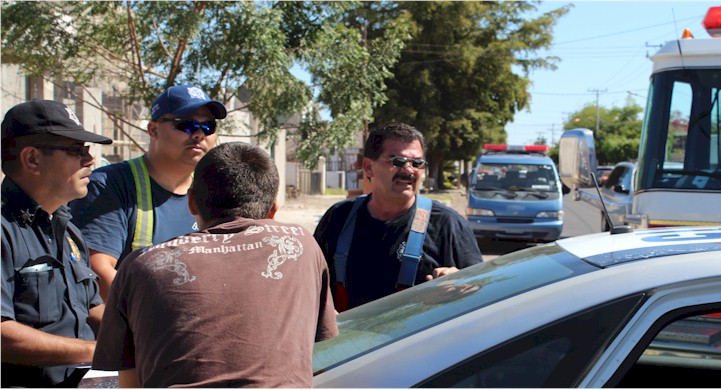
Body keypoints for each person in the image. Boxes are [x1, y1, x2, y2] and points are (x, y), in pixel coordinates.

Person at [92, 142, 339, 387]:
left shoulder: (142, 265)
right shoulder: (301, 244)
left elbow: (130, 381)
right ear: (273, 208)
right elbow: (316, 347)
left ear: (191, 202)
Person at [70, 84, 227, 301]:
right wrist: (162, 317)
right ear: (153, 130)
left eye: (208, 126)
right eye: (186, 125)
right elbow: (96, 270)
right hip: (138, 327)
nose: (199, 134)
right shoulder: (110, 185)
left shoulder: (213, 189)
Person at [1, 100, 113, 387]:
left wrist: (144, 334)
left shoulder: (68, 228)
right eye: (77, 151)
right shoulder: (4, 229)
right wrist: (97, 352)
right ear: (32, 159)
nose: (91, 161)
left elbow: (90, 308)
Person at [314, 122, 483, 311]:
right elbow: (309, 285)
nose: (409, 170)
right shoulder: (338, 218)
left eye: (417, 163)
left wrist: (460, 283)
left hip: (415, 339)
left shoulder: (447, 224)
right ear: (369, 167)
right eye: (398, 161)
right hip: (350, 337)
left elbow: (480, 290)